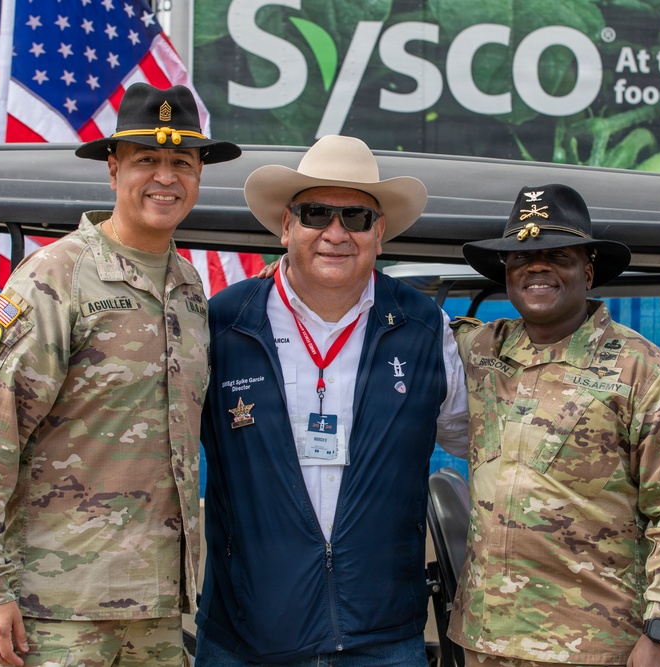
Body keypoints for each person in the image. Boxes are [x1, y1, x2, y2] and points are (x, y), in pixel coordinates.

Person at [0, 83, 240, 667]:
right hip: (53, 610)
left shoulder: (188, 288)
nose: (165, 178)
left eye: (182, 162)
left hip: (153, 608)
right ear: (112, 169)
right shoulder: (56, 277)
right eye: (146, 160)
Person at [195, 135, 469, 665]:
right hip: (249, 638)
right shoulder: (223, 323)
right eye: (316, 213)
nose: (336, 233)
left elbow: (479, 443)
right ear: (286, 225)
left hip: (384, 638)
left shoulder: (424, 328)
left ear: (380, 232)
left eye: (357, 218)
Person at [448, 184, 660, 667]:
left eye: (556, 255)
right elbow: (390, 328)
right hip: (484, 639)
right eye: (520, 257)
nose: (536, 267)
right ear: (507, 274)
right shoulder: (476, 352)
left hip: (593, 647)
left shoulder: (644, 373)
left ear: (588, 271)